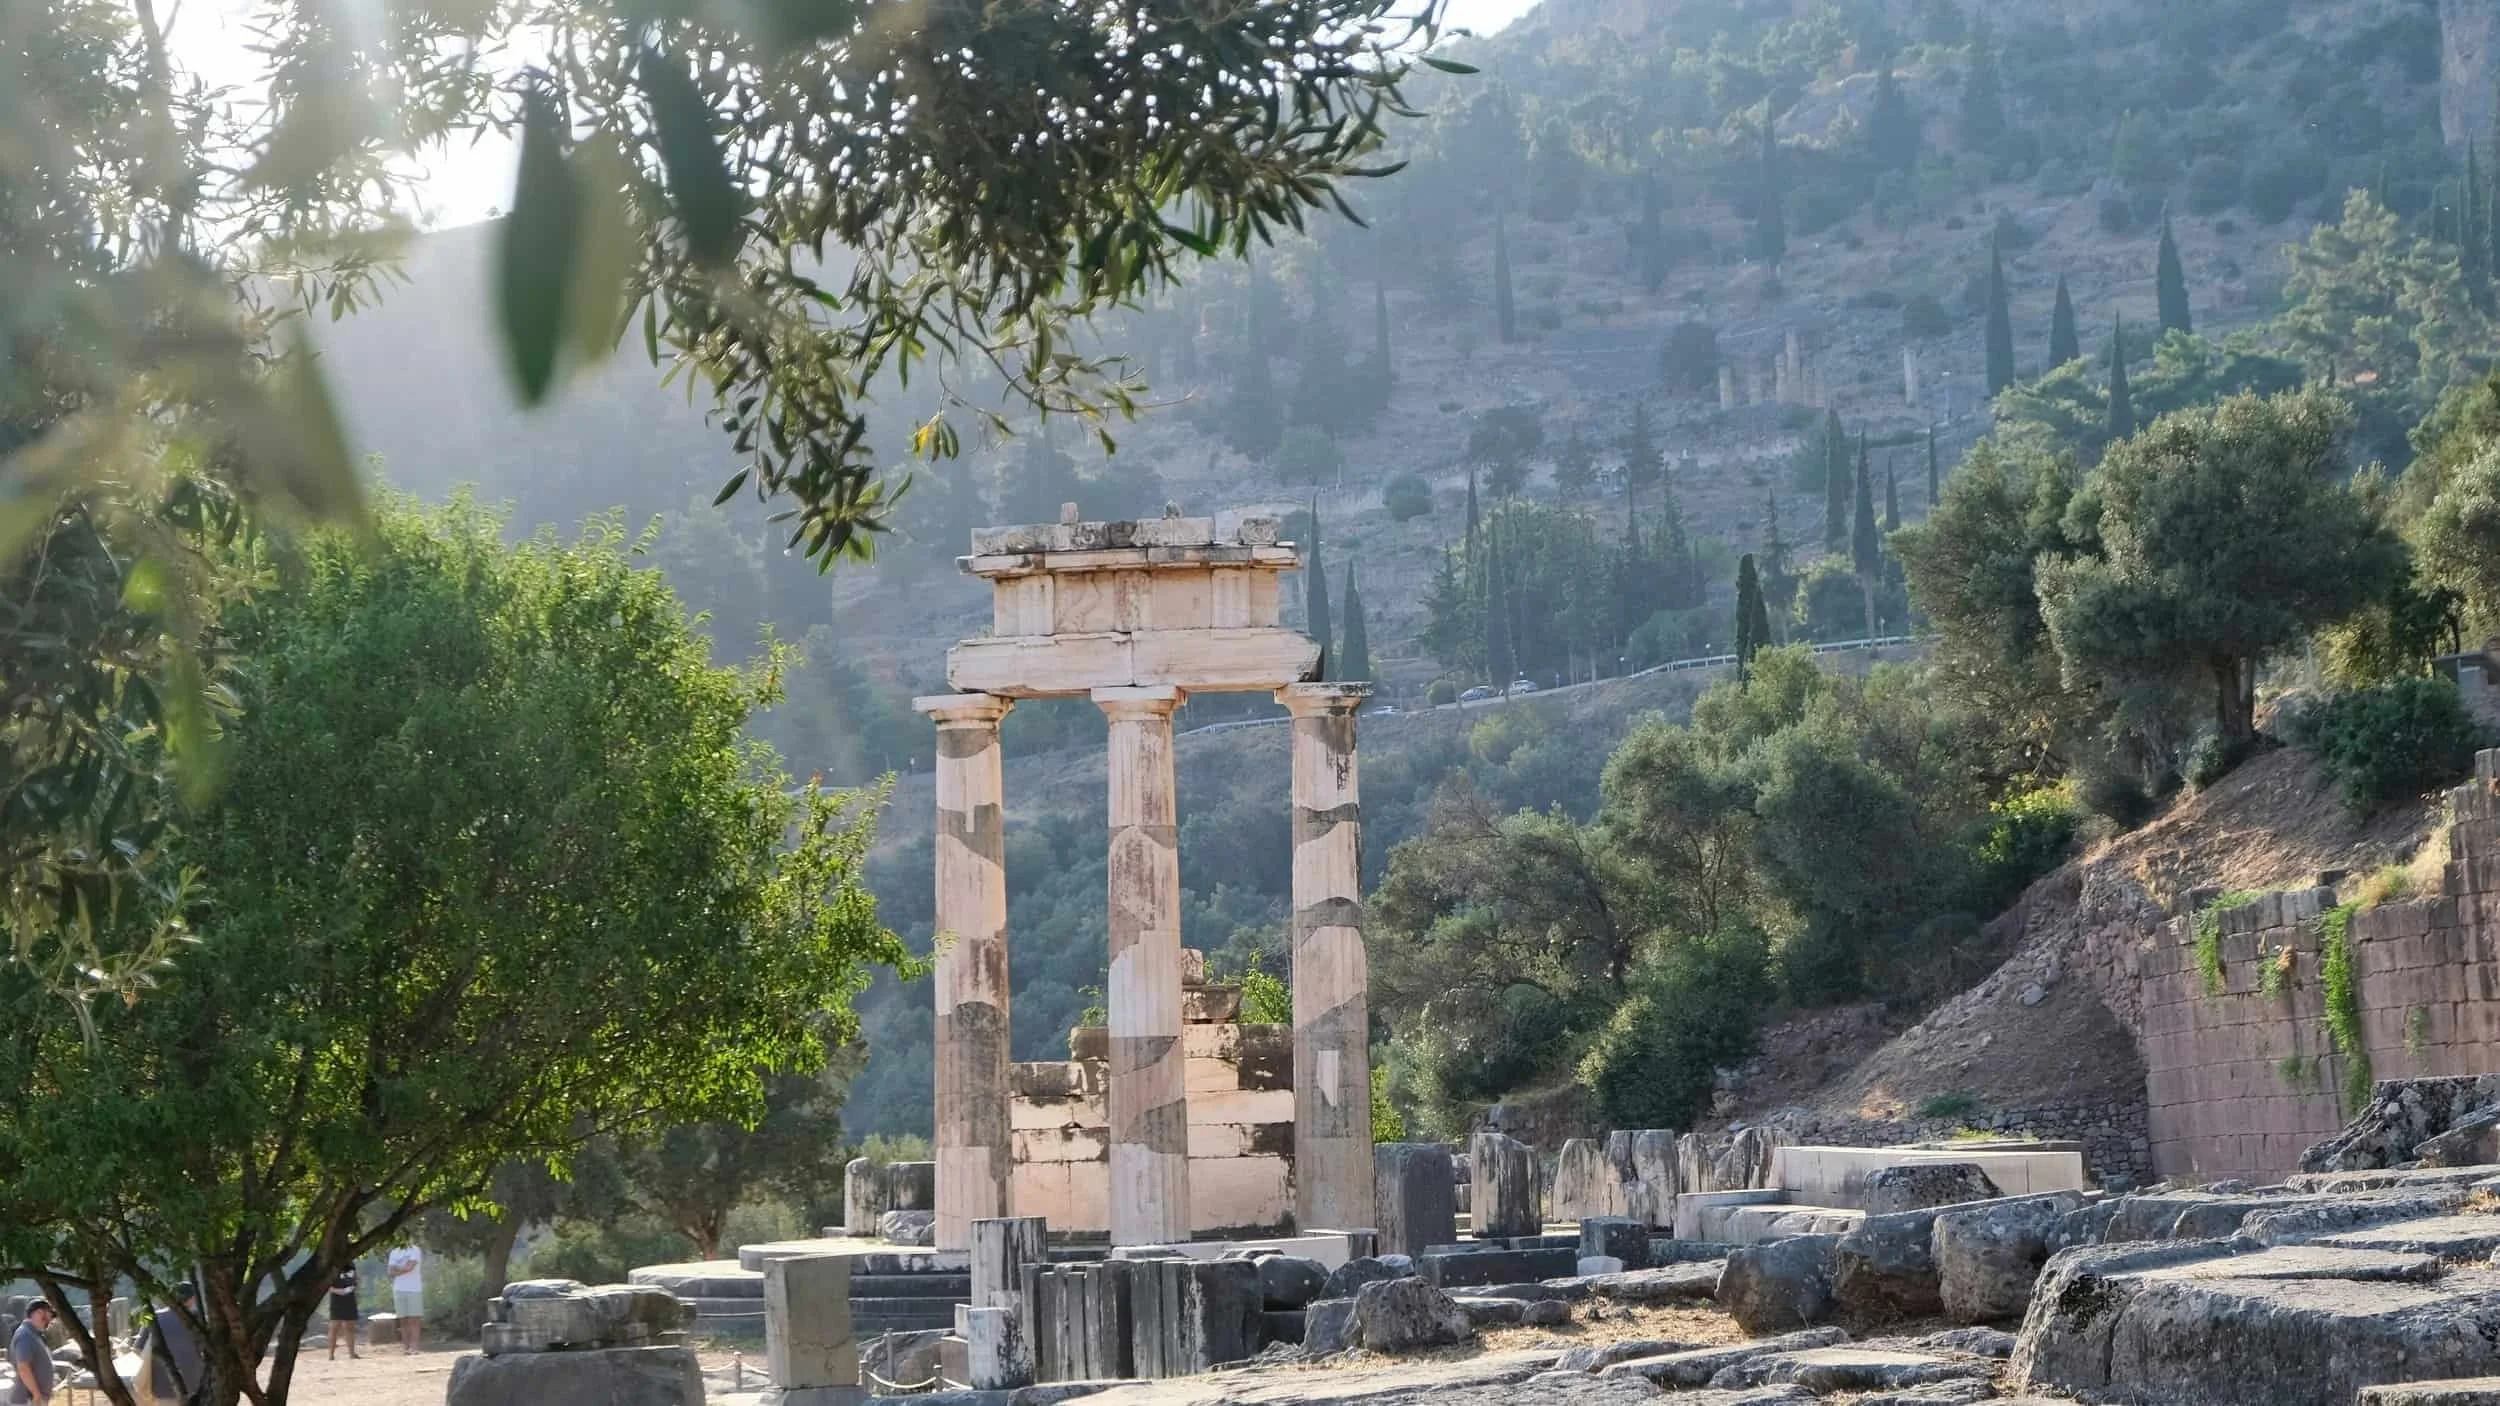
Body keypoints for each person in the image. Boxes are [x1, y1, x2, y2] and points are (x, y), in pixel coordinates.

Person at [149, 1284, 207, 1406]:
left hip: (162, 1386)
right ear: (192, 1299)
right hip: (194, 1386)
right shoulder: (199, 1319)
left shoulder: (154, 1317)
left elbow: (138, 1349)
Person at [9, 1300, 54, 1406]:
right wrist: (36, 1395)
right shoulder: (25, 1335)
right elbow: (23, 1367)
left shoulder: (33, 1334)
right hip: (28, 1400)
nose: (50, 1319)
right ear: (39, 1313)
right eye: (49, 1314)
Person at [386, 1245, 424, 1354]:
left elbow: (410, 1267)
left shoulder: (415, 1250)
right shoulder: (394, 1251)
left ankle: (415, 1347)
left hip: (414, 1289)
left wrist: (398, 1269)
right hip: (398, 1289)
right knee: (403, 1320)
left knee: (414, 1319)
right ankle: (406, 1347)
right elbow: (390, 1271)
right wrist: (403, 1269)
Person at [326, 1263, 360, 1360]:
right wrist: (338, 1291)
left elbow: (356, 1279)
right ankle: (331, 1355)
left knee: (350, 1327)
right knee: (334, 1327)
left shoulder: (351, 1265)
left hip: (350, 1299)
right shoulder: (332, 1265)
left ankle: (352, 1353)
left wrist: (354, 1287)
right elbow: (326, 1285)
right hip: (337, 1300)